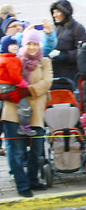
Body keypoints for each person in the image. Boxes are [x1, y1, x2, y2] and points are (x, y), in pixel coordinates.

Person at [1, 29, 53, 197]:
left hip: (35, 112)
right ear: (24, 44)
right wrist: (7, 94)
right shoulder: (14, 60)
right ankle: (22, 184)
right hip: (14, 111)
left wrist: (27, 91)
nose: (32, 47)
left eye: (35, 44)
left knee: (37, 150)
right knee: (16, 151)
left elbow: (46, 82)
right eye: (29, 44)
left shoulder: (44, 61)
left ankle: (33, 179)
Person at [50, 0, 86, 90]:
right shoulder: (55, 28)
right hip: (55, 71)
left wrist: (65, 56)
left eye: (57, 12)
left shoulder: (78, 28)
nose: (55, 15)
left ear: (65, 12)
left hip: (70, 73)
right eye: (53, 12)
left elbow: (82, 51)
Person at [0, 36, 33, 135]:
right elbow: (15, 76)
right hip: (10, 86)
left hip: (3, 86)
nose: (15, 47)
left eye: (16, 44)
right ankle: (24, 126)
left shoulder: (4, 58)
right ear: (6, 47)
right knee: (24, 106)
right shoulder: (11, 60)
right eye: (12, 45)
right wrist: (23, 84)